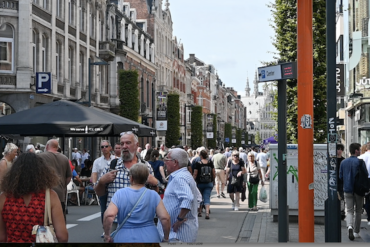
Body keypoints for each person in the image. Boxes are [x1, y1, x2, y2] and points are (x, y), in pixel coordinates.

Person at [95, 132, 158, 233]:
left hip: (141, 221)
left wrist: (155, 182)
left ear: (136, 145)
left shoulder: (145, 166)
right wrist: (102, 181)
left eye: (128, 143)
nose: (124, 146)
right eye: (122, 143)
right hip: (115, 222)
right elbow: (99, 193)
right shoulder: (112, 166)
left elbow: (155, 194)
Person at [0, 153, 68, 243]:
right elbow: (62, 236)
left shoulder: (5, 197)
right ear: (42, 172)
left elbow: (1, 237)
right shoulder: (50, 196)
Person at [103, 163, 170, 243]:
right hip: (150, 237)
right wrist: (166, 237)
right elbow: (165, 218)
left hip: (124, 237)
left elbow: (109, 215)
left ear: (131, 178)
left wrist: (107, 235)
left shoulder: (120, 194)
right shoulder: (153, 195)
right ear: (146, 179)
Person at [157, 148, 200, 242]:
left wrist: (179, 219)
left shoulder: (179, 178)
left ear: (175, 162)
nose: (165, 162)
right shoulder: (185, 175)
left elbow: (188, 198)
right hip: (179, 234)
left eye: (167, 159)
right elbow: (198, 198)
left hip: (177, 235)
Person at [340, 143, 367, 240]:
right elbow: (365, 175)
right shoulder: (360, 162)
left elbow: (340, 176)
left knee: (350, 210)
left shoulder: (343, 162)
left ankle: (350, 226)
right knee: (358, 211)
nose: (360, 151)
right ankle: (356, 232)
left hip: (347, 189)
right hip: (359, 190)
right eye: (359, 149)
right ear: (356, 151)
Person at [38, 139, 71, 220]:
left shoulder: (40, 157)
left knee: (45, 221)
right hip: (60, 194)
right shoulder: (65, 158)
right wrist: (62, 185)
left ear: (47, 146)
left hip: (44, 194)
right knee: (60, 221)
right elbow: (69, 177)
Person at [91, 140, 115, 224]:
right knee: (103, 209)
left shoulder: (115, 159)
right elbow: (94, 174)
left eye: (106, 146)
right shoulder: (97, 161)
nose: (104, 148)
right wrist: (94, 184)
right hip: (102, 187)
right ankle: (105, 228)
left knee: (114, 207)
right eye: (102, 147)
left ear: (110, 148)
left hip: (113, 187)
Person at [193, 150, 215, 219]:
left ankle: (199, 212)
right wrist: (213, 180)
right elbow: (213, 172)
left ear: (201, 156)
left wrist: (193, 181)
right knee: (207, 197)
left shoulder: (198, 163)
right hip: (209, 183)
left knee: (200, 197)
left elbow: (195, 174)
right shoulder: (210, 163)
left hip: (200, 183)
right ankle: (207, 213)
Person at [336, 143, 346, 220]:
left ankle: (342, 212)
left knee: (342, 197)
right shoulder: (333, 160)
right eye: (338, 149)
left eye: (340, 149)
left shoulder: (343, 160)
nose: (339, 151)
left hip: (341, 181)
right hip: (335, 180)